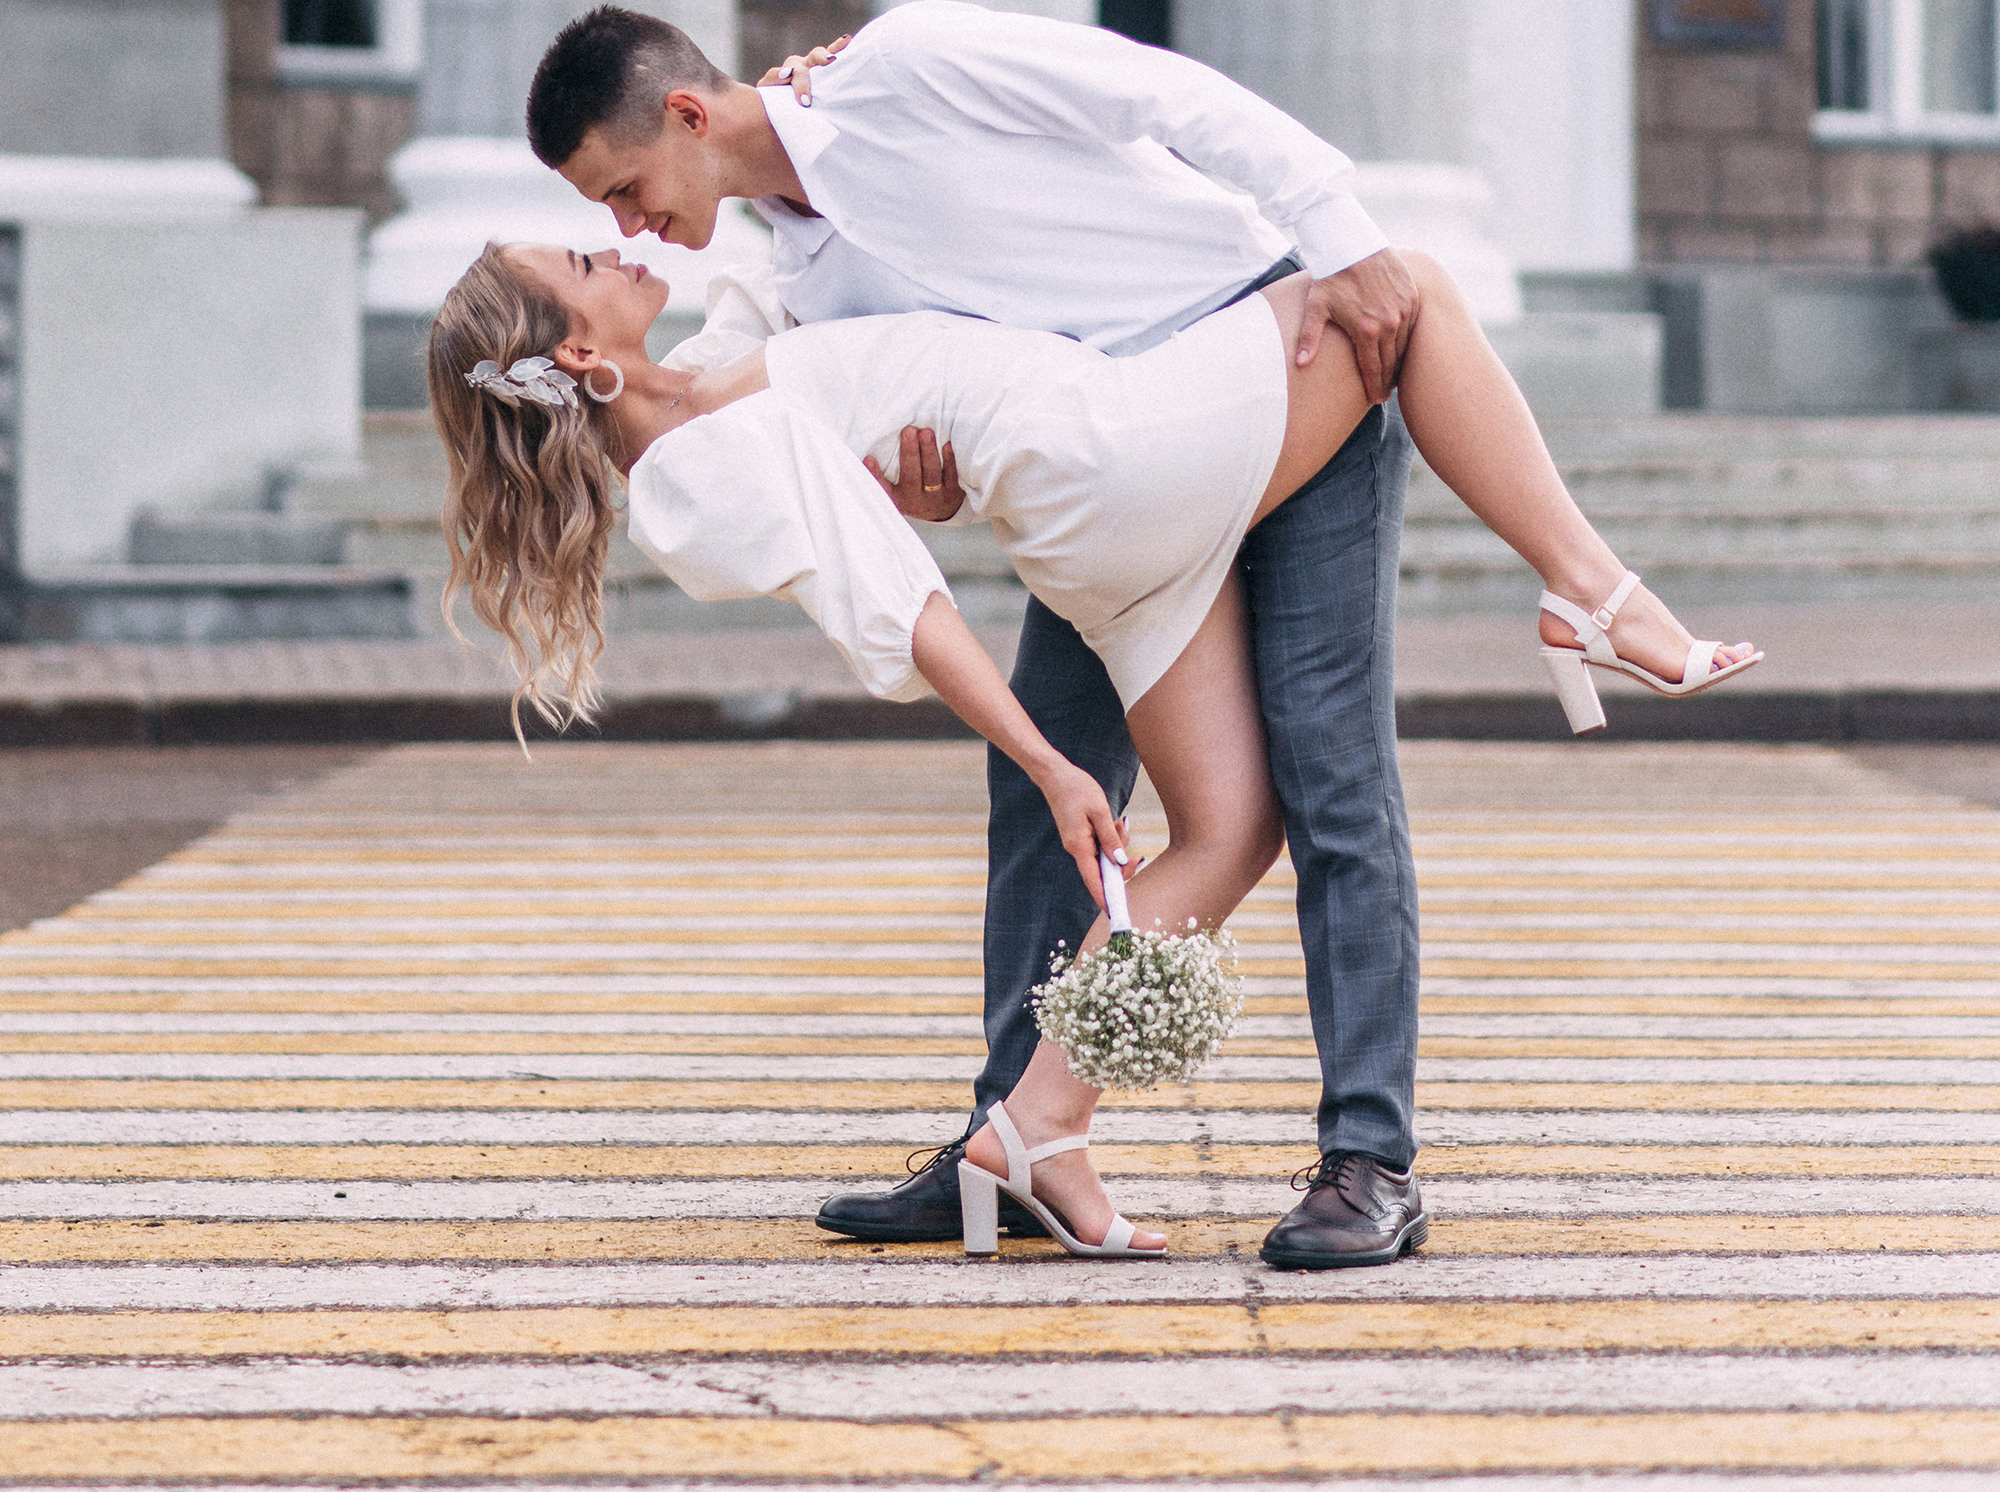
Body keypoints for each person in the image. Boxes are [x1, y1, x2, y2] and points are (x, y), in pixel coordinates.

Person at [427, 230, 1758, 1261]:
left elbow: (782, 253)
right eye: (585, 259)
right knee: (1400, 289)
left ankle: (1037, 1128)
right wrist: (1049, 760)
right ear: (581, 359)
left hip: (1105, 515)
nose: (617, 239)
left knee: (1232, 830)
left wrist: (795, 118)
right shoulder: (692, 468)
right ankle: (1596, 595)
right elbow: (904, 603)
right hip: (1111, 455)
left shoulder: (702, 374)